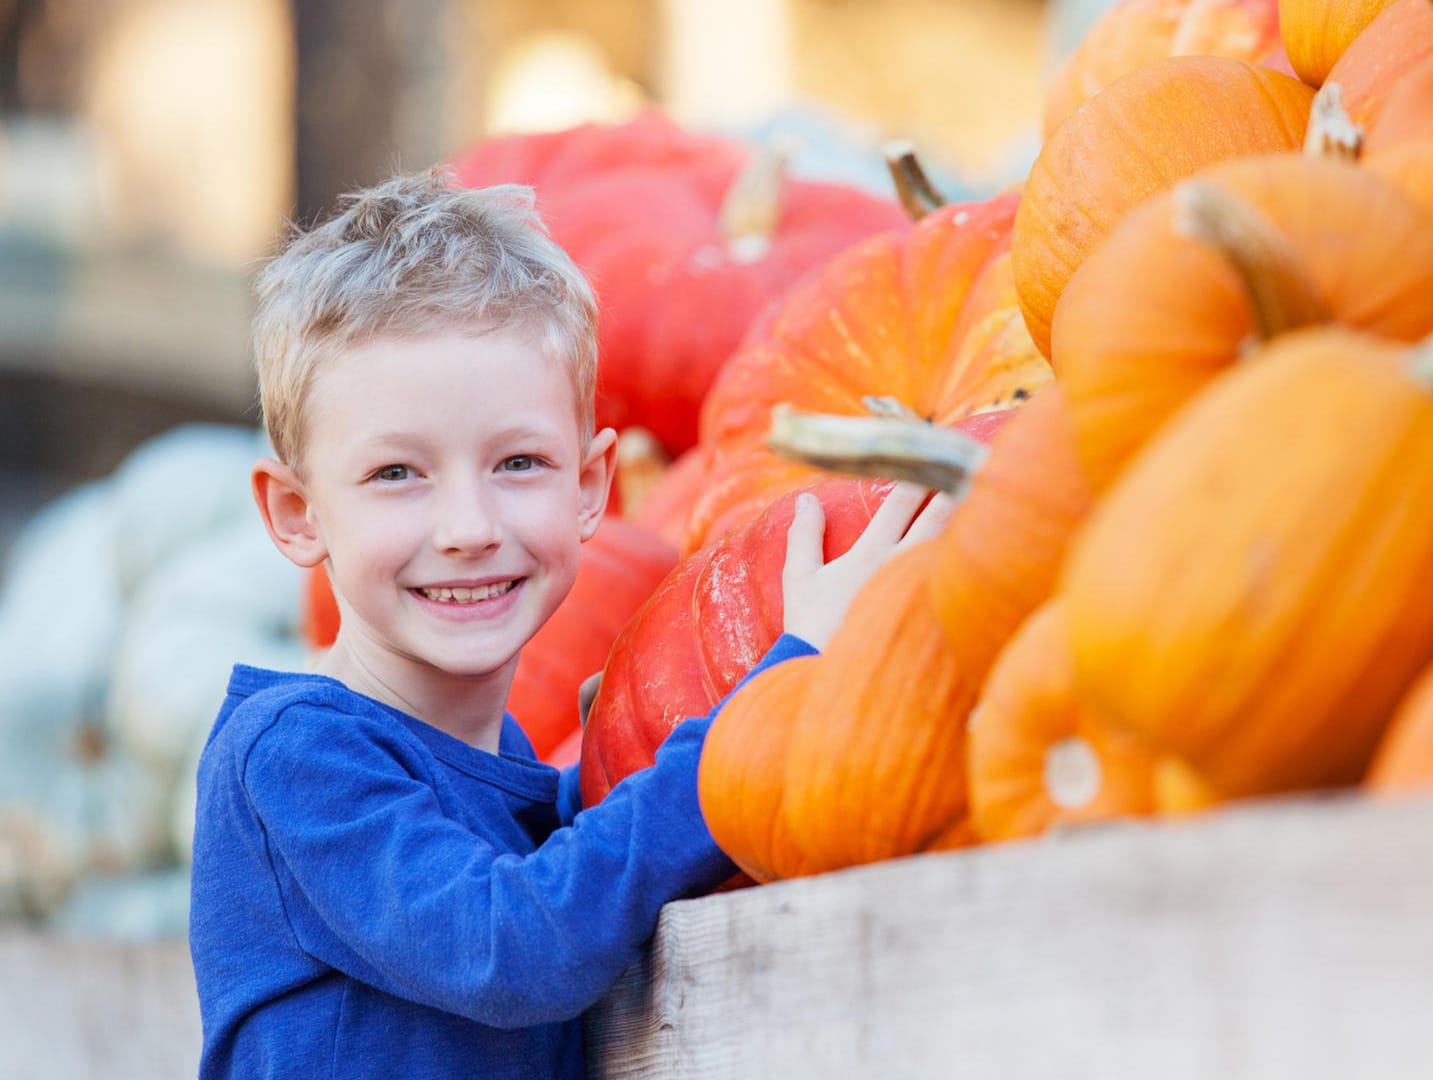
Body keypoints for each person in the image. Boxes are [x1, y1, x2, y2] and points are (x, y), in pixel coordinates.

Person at [188, 169, 949, 1080]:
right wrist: (763, 707)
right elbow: (512, 950)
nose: (468, 528)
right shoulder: (294, 759)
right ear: (297, 513)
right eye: (397, 474)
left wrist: (594, 787)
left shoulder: (507, 775)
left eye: (518, 462)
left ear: (592, 487)